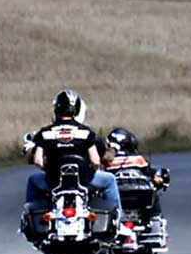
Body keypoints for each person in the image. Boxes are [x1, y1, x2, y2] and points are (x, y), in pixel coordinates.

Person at [21, 90, 126, 241]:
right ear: (76, 109)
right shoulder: (85, 132)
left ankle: (31, 222)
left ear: (56, 108)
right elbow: (96, 161)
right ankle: (118, 221)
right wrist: (91, 169)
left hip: (54, 181)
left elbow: (37, 160)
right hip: (84, 181)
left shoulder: (45, 133)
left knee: (33, 180)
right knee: (109, 180)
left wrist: (49, 169)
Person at [103, 127, 170, 220]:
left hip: (116, 198)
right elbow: (152, 175)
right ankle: (156, 220)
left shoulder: (106, 163)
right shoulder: (138, 159)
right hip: (140, 197)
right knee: (154, 196)